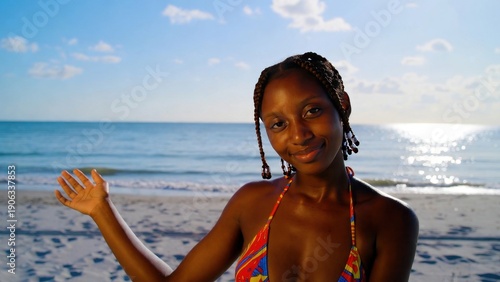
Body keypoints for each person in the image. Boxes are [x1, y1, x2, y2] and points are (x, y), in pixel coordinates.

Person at [55, 52, 419, 281]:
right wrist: (102, 211)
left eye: (312, 111)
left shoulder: (390, 219)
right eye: (278, 124)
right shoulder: (252, 203)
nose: (299, 134)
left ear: (342, 105)